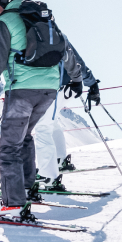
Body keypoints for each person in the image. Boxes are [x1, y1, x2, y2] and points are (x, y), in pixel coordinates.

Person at [0, 0, 82, 218]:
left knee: (9, 147)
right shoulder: (43, 18)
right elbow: (65, 50)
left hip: (22, 89)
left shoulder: (4, 21)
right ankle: (27, 187)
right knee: (24, 138)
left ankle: (12, 203)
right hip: (49, 91)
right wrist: (76, 78)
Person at [34, 42, 101, 191]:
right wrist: (91, 83)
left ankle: (48, 176)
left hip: (49, 88)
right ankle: (59, 160)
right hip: (68, 88)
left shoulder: (27, 32)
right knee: (52, 121)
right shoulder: (54, 31)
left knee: (42, 126)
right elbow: (76, 59)